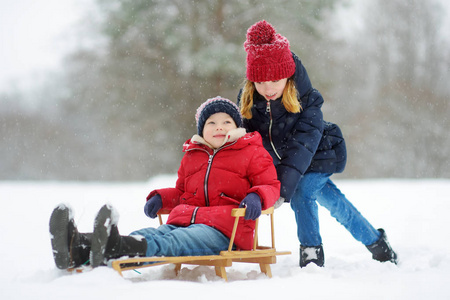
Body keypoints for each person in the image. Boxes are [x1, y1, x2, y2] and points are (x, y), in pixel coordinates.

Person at [49, 96, 280, 269]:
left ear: (237, 127)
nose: (219, 126)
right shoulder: (193, 155)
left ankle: (116, 250)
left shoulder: (251, 153)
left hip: (226, 230)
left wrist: (256, 197)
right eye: (211, 123)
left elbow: (270, 185)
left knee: (176, 241)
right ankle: (79, 247)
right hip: (184, 220)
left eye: (226, 121)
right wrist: (162, 197)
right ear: (202, 130)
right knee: (150, 233)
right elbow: (181, 193)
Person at [237, 20, 398, 267]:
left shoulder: (306, 102)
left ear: (288, 77)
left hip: (318, 156)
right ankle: (376, 242)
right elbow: (248, 143)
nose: (267, 88)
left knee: (302, 193)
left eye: (275, 81)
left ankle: (311, 252)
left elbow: (302, 146)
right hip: (288, 165)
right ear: (251, 81)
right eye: (260, 82)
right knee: (335, 202)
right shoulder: (250, 102)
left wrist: (282, 187)